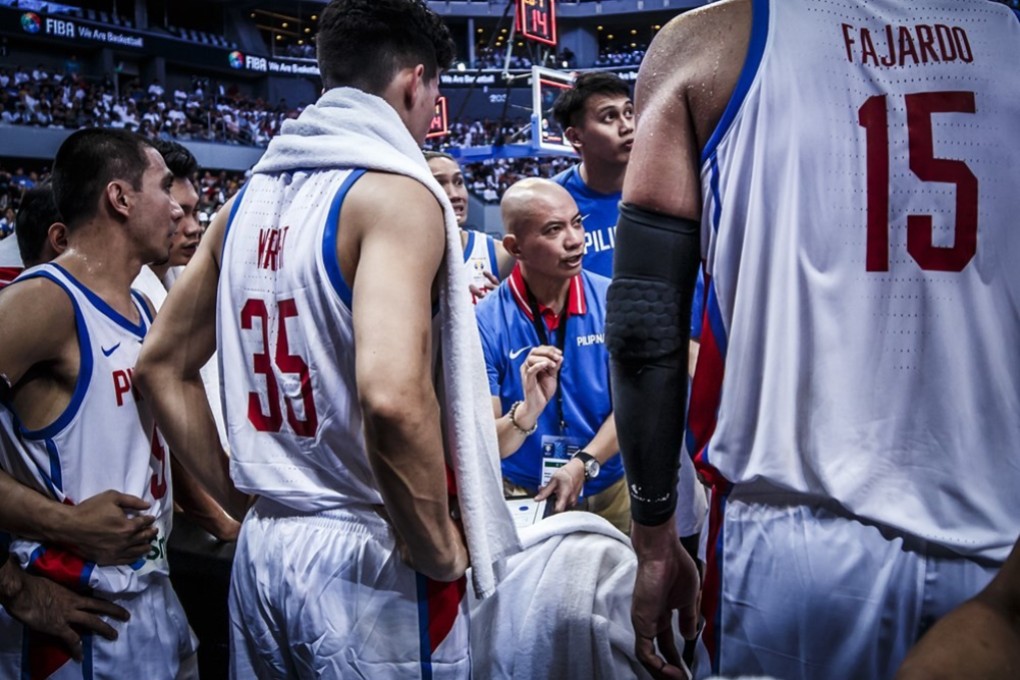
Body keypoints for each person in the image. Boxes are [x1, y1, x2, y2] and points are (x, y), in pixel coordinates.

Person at [608, 1, 1020, 678]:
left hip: (789, 544)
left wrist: (655, 533)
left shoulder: (706, 46)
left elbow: (645, 321)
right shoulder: (1009, 38)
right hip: (1001, 545)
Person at [135, 1, 484, 676]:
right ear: (415, 84)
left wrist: (244, 500)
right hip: (371, 551)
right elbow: (389, 398)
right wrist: (437, 545)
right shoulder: (393, 196)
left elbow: (161, 368)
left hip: (267, 545)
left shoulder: (242, 203)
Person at [0, 128, 198, 677]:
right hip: (75, 609)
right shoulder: (45, 302)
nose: (179, 212)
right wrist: (16, 587)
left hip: (151, 592)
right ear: (120, 198)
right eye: (164, 189)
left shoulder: (141, 305)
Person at [476, 178, 629, 533]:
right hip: (524, 496)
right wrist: (527, 412)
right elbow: (487, 445)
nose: (575, 239)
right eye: (554, 230)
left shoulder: (611, 299)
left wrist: (583, 464)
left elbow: (634, 406)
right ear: (515, 247)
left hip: (607, 485)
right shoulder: (484, 322)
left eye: (577, 223)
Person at [551, 71, 634, 279]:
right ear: (575, 136)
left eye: (629, 112)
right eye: (609, 117)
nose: (627, 127)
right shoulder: (553, 201)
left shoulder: (667, 183)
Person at [425, 150, 513, 302]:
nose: (455, 195)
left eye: (459, 182)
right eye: (438, 183)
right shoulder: (393, 261)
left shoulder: (499, 254)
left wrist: (505, 310)